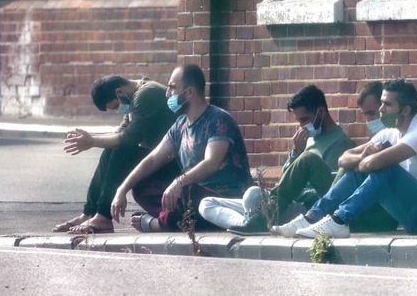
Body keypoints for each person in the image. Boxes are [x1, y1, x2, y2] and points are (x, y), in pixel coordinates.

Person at [271, 78, 417, 239]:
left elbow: (373, 163)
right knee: (362, 166)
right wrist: (363, 155)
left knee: (387, 169)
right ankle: (312, 217)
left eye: (387, 104)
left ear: (405, 110)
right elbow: (343, 159)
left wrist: (366, 159)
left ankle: (338, 220)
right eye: (381, 103)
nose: (381, 109)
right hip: (413, 217)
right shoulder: (391, 133)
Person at [110, 64, 252, 232]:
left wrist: (178, 183)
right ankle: (175, 218)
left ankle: (157, 224)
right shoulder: (180, 125)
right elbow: (153, 160)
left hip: (223, 196)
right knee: (142, 187)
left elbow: (212, 162)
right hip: (191, 195)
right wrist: (122, 189)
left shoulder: (218, 119)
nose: (167, 93)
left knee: (186, 195)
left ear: (189, 92)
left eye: (172, 87)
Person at [198, 84, 353, 233]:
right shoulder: (308, 139)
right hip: (281, 201)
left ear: (321, 112)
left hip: (304, 206)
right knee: (206, 204)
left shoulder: (340, 143)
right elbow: (285, 179)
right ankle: (249, 224)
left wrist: (294, 190)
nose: (301, 126)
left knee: (253, 195)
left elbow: (329, 191)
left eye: (304, 119)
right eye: (298, 120)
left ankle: (258, 222)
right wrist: (295, 152)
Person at [53, 75, 179, 234]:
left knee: (122, 151)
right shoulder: (136, 96)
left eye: (115, 107)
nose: (118, 110)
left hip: (172, 161)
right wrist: (91, 140)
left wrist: (92, 142)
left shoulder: (147, 94)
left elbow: (130, 138)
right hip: (160, 156)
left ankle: (103, 217)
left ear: (119, 92)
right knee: (110, 151)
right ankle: (90, 213)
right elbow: (121, 132)